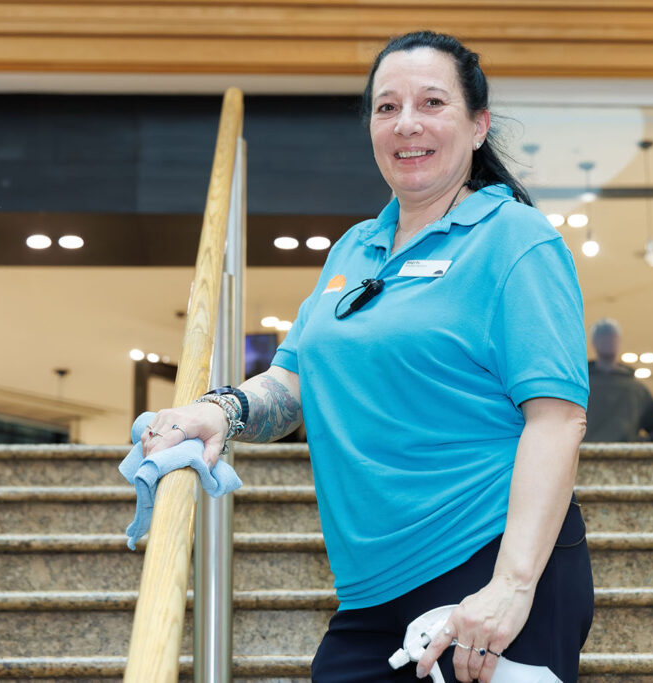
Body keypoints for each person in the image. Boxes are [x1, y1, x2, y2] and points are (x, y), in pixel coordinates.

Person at [142, 31, 592, 683]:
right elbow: (297, 375)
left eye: (432, 102)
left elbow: (557, 419)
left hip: (488, 568)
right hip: (367, 592)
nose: (407, 123)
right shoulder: (356, 247)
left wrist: (511, 587)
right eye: (387, 107)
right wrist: (221, 411)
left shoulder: (515, 240)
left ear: (477, 125)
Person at [584, 318, 653, 442]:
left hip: (624, 458)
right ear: (594, 342)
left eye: (611, 336)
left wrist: (639, 448)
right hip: (587, 457)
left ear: (618, 340)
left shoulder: (636, 389)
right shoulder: (583, 386)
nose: (607, 341)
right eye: (602, 336)